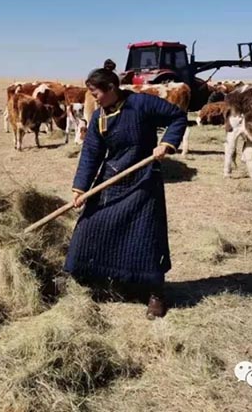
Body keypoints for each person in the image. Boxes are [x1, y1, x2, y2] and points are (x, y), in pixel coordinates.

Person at [65, 59, 188, 318]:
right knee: (89, 228)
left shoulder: (141, 104)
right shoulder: (99, 117)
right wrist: (80, 188)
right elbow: (91, 154)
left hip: (143, 180)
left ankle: (155, 293)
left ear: (111, 87)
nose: (95, 100)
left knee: (145, 237)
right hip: (110, 180)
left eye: (96, 94)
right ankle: (101, 280)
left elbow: (177, 116)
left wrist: (166, 143)